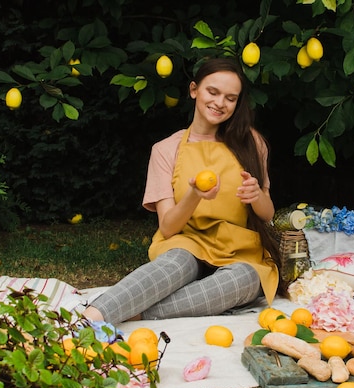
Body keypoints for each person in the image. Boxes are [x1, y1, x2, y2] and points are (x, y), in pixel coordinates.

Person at [83, 57, 280, 326]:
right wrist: (195, 195)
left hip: (239, 249)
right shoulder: (165, 149)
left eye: (230, 98)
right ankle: (88, 319)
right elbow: (168, 228)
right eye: (213, 92)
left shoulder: (252, 143)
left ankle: (140, 312)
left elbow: (267, 214)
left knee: (245, 280)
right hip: (187, 242)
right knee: (175, 264)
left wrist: (257, 196)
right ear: (193, 90)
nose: (220, 103)